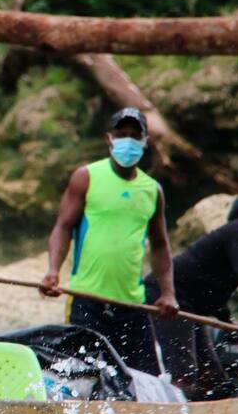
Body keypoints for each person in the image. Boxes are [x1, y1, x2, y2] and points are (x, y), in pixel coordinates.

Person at [39, 107, 179, 373]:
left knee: (143, 380)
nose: (128, 140)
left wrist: (168, 293)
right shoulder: (86, 177)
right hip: (86, 299)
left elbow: (160, 245)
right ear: (109, 139)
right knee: (80, 375)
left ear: (145, 141)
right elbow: (63, 227)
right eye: (121, 134)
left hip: (132, 304)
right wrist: (53, 271)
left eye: (134, 135)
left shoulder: (152, 190)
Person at [145, 185, 238, 399]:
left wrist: (228, 321)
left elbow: (212, 292)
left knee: (213, 378)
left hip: (190, 305)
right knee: (184, 374)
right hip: (166, 296)